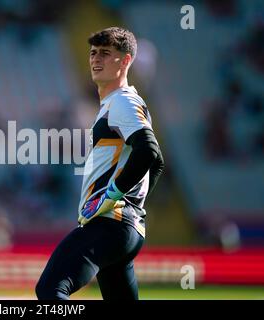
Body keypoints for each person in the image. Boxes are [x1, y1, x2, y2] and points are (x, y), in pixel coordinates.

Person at [36, 27, 164, 300]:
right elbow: (157, 163)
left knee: (50, 291)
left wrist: (115, 194)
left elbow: (150, 152)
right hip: (123, 228)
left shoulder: (122, 101)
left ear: (126, 61)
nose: (96, 59)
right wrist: (132, 206)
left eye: (106, 53)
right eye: (93, 53)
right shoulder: (116, 103)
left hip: (109, 224)